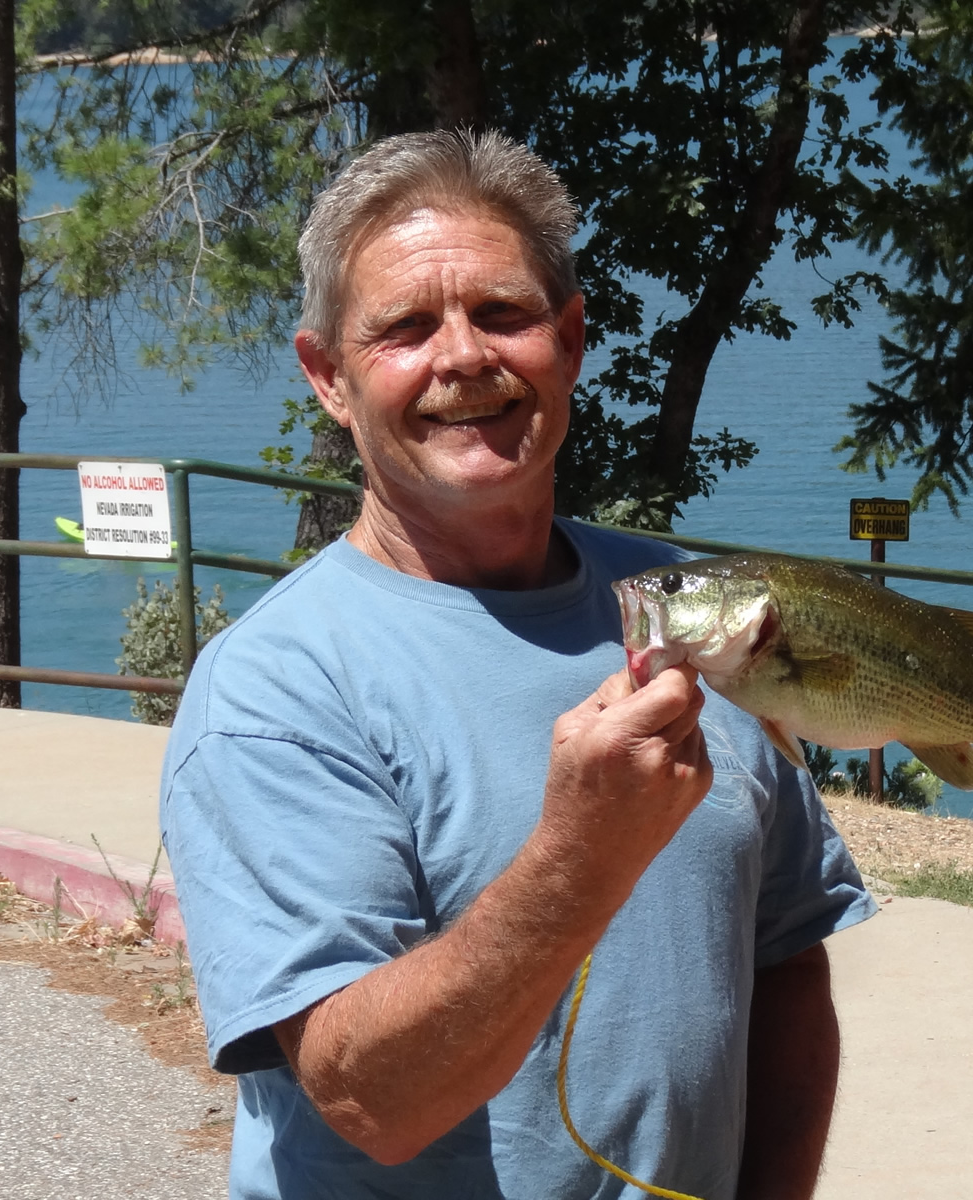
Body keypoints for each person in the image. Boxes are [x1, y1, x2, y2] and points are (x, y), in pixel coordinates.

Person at [159, 129, 876, 1200]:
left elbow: (785, 955)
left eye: (502, 313)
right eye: (404, 328)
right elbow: (370, 1101)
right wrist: (581, 856)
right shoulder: (277, 691)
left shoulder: (698, 612)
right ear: (328, 377)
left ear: (571, 340)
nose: (462, 357)